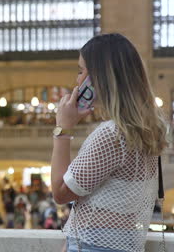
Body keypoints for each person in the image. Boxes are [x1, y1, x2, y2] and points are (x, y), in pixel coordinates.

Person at [51, 33, 167, 252]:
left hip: (93, 244)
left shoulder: (112, 135)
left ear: (99, 77)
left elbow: (60, 192)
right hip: (125, 242)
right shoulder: (146, 129)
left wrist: (62, 130)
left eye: (80, 71)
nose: (77, 81)